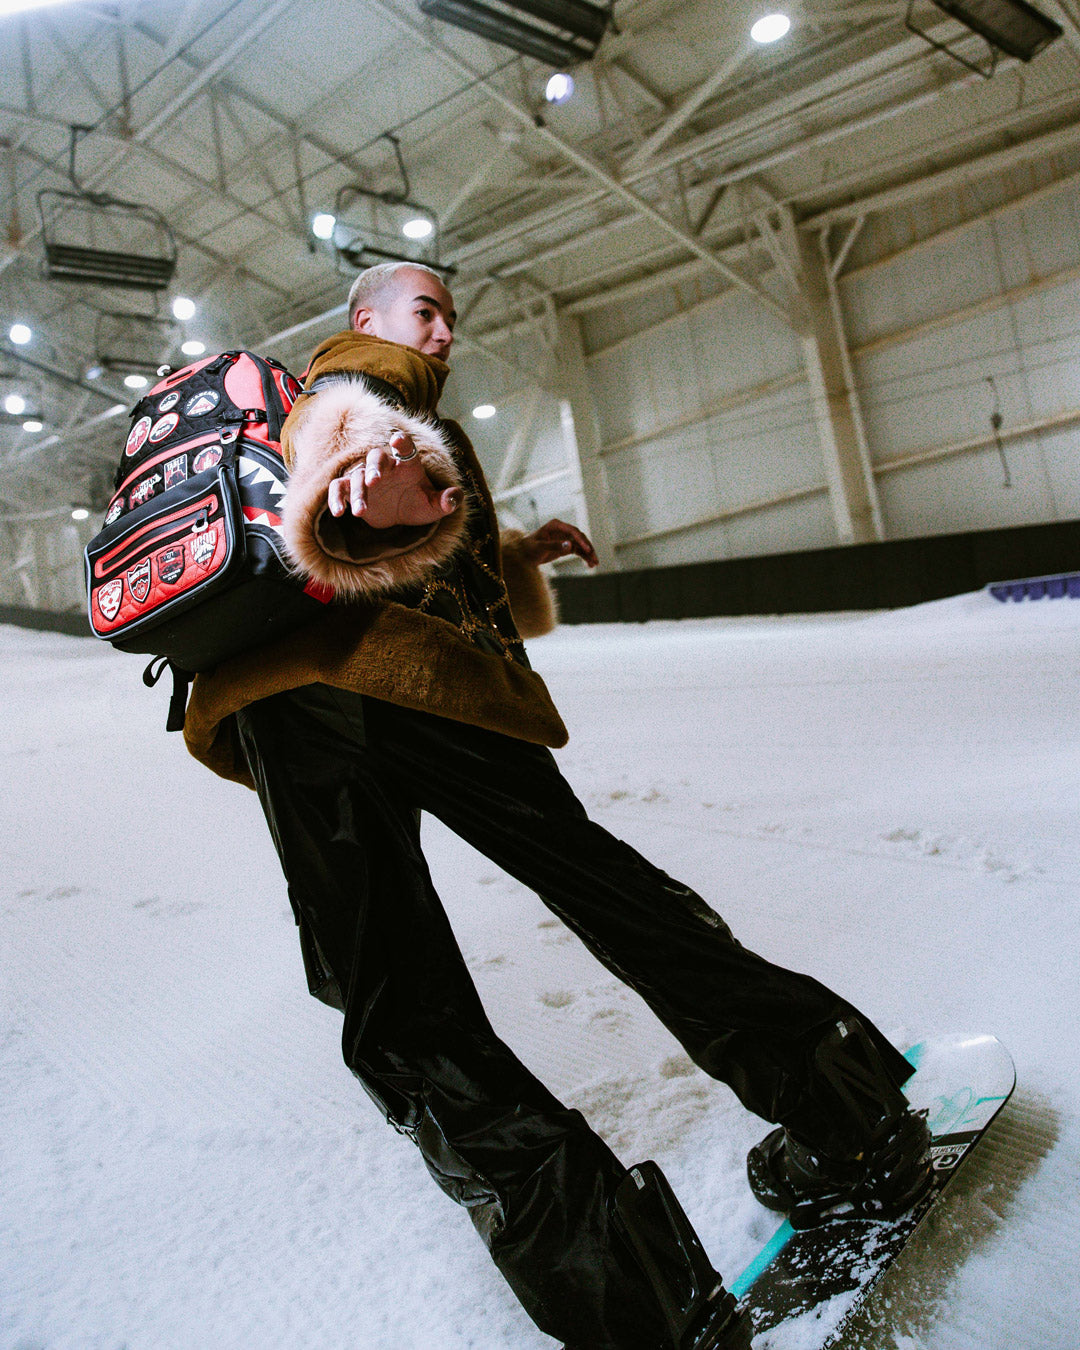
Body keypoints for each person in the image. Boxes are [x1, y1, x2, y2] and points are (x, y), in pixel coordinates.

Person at [181, 262, 932, 1350]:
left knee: (401, 1009)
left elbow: (410, 515)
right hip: (393, 687)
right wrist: (352, 471)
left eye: (449, 313)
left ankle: (630, 1304)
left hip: (307, 706)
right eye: (423, 308)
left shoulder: (406, 414)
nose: (440, 332)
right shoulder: (355, 375)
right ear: (364, 320)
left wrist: (513, 546)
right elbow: (349, 422)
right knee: (610, 897)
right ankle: (848, 1118)